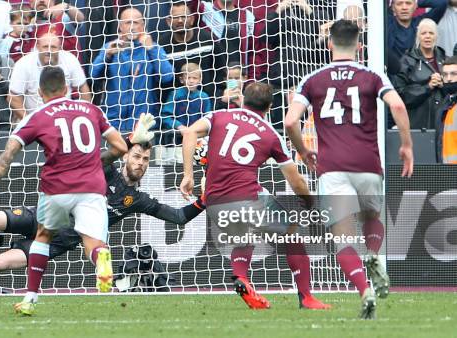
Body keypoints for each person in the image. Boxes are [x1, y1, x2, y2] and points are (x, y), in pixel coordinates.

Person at [0, 140, 207, 298]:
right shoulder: (106, 168)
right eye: (136, 155)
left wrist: (204, 199)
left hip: (55, 243)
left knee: (0, 263)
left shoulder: (138, 199)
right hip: (41, 216)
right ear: (127, 156)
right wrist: (126, 141)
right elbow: (101, 156)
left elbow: (179, 217)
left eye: (145, 159)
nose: (140, 161)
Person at [0, 66, 130, 315]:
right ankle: (101, 260)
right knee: (93, 244)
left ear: (39, 92)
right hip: (92, 188)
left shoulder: (38, 115)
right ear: (67, 89)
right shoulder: (92, 110)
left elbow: (6, 157)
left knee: (43, 237)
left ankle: (30, 299)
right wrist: (96, 162)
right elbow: (121, 147)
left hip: (56, 189)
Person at [285, 19, 414, 319]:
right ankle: (373, 254)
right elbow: (397, 106)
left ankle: (364, 290)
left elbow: (291, 121)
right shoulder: (372, 74)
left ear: (329, 44)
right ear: (359, 46)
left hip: (332, 169)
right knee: (372, 218)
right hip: (368, 164)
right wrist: (406, 145)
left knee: (342, 238)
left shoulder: (313, 78)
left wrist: (303, 151)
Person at [179, 82, 331, 311]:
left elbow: (189, 132)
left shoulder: (218, 115)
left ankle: (241, 277)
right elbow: (296, 180)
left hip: (213, 200)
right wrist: (310, 203)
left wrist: (188, 175)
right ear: (270, 106)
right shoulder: (270, 134)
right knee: (293, 235)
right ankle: (307, 298)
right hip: (247, 197)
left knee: (244, 237)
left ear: (242, 98)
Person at [90, 7, 174, 132]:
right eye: (128, 22)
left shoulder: (153, 48)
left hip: (143, 123)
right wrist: (106, 56)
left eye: (136, 23)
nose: (132, 27)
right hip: (113, 123)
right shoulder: (110, 47)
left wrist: (151, 50)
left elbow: (167, 77)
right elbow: (92, 76)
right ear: (120, 26)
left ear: (143, 25)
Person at [9, 32, 91, 120]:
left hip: (65, 118)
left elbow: (83, 88)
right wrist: (29, 121)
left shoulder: (70, 60)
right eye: (45, 47)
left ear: (60, 48)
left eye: (53, 47)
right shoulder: (24, 64)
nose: (49, 51)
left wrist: (84, 117)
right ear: (37, 47)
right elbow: (13, 96)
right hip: (34, 117)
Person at [158, 1, 227, 102]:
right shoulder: (162, 45)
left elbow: (221, 70)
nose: (180, 21)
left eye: (184, 17)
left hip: (208, 103)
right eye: (176, 17)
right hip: (177, 106)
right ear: (168, 21)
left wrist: (217, 98)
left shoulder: (207, 39)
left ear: (191, 19)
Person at [394, 19, 446, 129]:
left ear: (436, 36)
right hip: (417, 125)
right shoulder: (407, 61)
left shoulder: (445, 59)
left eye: (431, 33)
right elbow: (400, 95)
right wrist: (428, 86)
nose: (427, 36)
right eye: (423, 33)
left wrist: (444, 85)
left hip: (444, 124)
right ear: (418, 36)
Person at [386, 0, 447, 75]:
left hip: (418, 76)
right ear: (393, 8)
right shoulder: (386, 23)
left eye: (408, 3)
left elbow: (441, 3)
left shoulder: (421, 23)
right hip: (394, 75)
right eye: (399, 4)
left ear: (415, 6)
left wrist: (417, 2)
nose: (404, 7)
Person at [160, 63, 211, 149]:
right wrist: (179, 126)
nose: (191, 81)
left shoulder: (204, 97)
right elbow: (165, 116)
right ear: (181, 79)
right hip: (176, 138)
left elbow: (208, 118)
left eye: (194, 78)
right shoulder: (175, 95)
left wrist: (195, 130)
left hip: (198, 139)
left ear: (200, 80)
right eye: (188, 78)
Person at [435, 56, 457, 163]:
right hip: (447, 173)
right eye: (445, 74)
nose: (448, 78)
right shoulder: (446, 104)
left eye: (454, 74)